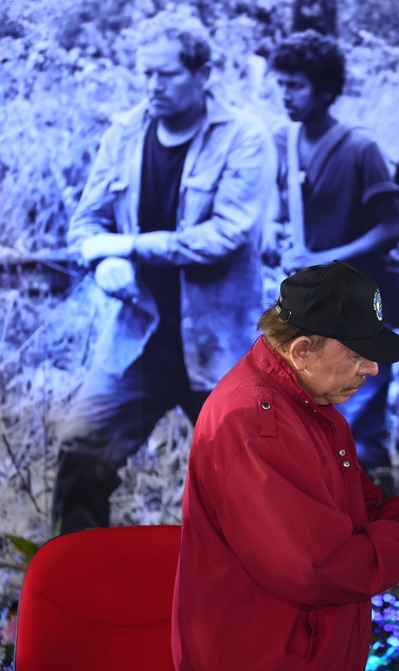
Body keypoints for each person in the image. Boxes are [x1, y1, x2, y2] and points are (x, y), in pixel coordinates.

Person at [171, 260, 399, 671]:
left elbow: (358, 514)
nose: (372, 369)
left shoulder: (309, 406)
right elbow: (316, 568)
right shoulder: (256, 423)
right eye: (357, 354)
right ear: (303, 349)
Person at [53, 10, 275, 534]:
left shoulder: (243, 137)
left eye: (167, 74)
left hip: (219, 346)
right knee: (80, 450)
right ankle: (81, 589)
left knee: (251, 483)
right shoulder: (125, 133)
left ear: (202, 75)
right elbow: (85, 224)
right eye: (146, 73)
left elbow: (226, 236)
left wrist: (127, 245)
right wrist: (105, 260)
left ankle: (255, 599)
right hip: (139, 337)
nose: (153, 85)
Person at [267, 30, 399, 493]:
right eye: (282, 84)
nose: (286, 95)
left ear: (328, 90)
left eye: (298, 86)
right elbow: (276, 212)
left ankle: (380, 524)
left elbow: (391, 227)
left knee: (360, 423)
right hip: (305, 309)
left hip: (357, 306)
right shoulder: (281, 143)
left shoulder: (360, 149)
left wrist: (323, 257)